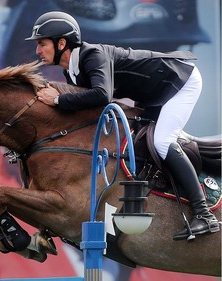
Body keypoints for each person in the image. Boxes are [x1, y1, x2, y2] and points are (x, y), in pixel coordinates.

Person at [25, 11, 220, 240]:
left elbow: (101, 95)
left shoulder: (92, 55)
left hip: (180, 81)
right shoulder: (72, 72)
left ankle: (204, 214)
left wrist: (57, 99)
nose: (37, 51)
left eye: (41, 44)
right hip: (153, 92)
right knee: (139, 141)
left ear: (61, 43)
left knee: (162, 141)